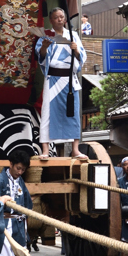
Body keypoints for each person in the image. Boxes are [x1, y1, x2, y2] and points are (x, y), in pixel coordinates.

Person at [35, 8, 86, 160]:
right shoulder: (46, 35)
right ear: (51, 20)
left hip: (69, 79)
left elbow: (82, 56)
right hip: (52, 79)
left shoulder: (73, 35)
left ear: (65, 19)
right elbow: (41, 56)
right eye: (56, 17)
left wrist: (76, 50)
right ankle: (45, 149)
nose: (59, 19)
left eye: (61, 17)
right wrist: (44, 47)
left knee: (73, 113)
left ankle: (75, 149)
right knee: (47, 113)